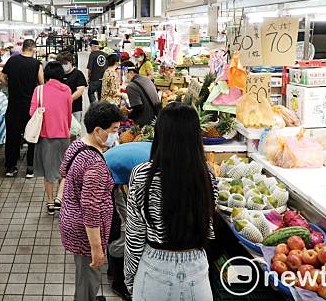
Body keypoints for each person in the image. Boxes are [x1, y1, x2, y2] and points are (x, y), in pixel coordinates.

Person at [124, 103, 217, 301]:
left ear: (160, 135)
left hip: (154, 270)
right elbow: (208, 225)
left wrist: (131, 279)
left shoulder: (142, 175)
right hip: (197, 271)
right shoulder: (206, 175)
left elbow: (135, 236)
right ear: (195, 136)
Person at [59, 102, 123, 301]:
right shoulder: (94, 164)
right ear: (98, 130)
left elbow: (63, 172)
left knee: (84, 273)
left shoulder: (78, 144)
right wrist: (97, 250)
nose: (116, 136)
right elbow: (90, 209)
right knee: (89, 276)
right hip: (85, 230)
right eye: (113, 131)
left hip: (71, 218)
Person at [104, 142, 152, 301]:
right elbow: (139, 197)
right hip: (104, 178)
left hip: (112, 176)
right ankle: (119, 283)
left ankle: (113, 269)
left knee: (122, 222)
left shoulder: (157, 151)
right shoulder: (155, 163)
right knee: (123, 230)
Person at [30, 61, 72, 215]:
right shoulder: (67, 90)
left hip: (45, 136)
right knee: (64, 170)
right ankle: (60, 198)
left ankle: (50, 202)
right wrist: (66, 129)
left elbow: (32, 113)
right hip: (63, 135)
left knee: (49, 171)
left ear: (46, 74)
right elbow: (68, 114)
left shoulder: (39, 90)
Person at [0, 38, 44, 178]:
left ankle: (10, 167)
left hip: (13, 105)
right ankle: (30, 168)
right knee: (32, 135)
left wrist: (10, 86)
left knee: (12, 136)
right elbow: (42, 84)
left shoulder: (12, 61)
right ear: (33, 49)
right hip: (30, 107)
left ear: (22, 48)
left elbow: (2, 77)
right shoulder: (36, 64)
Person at [122, 61, 161, 126]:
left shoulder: (131, 86)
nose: (123, 77)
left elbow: (138, 108)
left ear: (131, 72)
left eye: (124, 74)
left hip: (145, 122)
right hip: (156, 118)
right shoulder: (147, 79)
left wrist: (127, 115)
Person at [58, 52, 88, 124]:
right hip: (60, 107)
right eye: (61, 63)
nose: (63, 65)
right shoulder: (58, 74)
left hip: (75, 107)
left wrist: (69, 99)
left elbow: (80, 91)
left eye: (65, 63)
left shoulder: (78, 74)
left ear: (71, 62)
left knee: (75, 130)